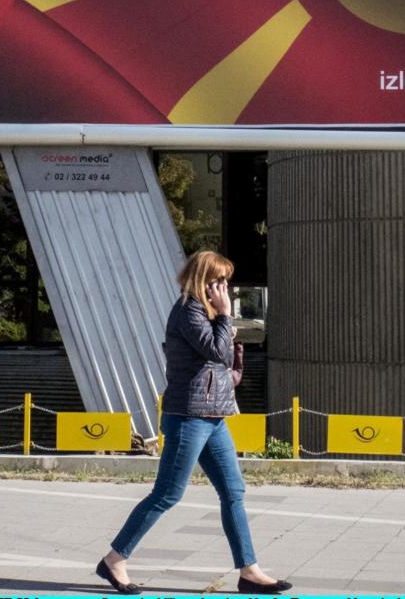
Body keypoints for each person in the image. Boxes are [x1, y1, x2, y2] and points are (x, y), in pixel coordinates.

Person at [95, 251, 292, 595]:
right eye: (219, 281)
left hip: (214, 418)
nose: (225, 288)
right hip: (189, 416)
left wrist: (223, 322)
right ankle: (114, 560)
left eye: (226, 281)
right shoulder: (188, 310)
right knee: (167, 494)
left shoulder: (208, 314)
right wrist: (226, 316)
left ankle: (249, 571)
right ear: (204, 281)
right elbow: (216, 351)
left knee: (234, 492)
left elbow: (223, 358)